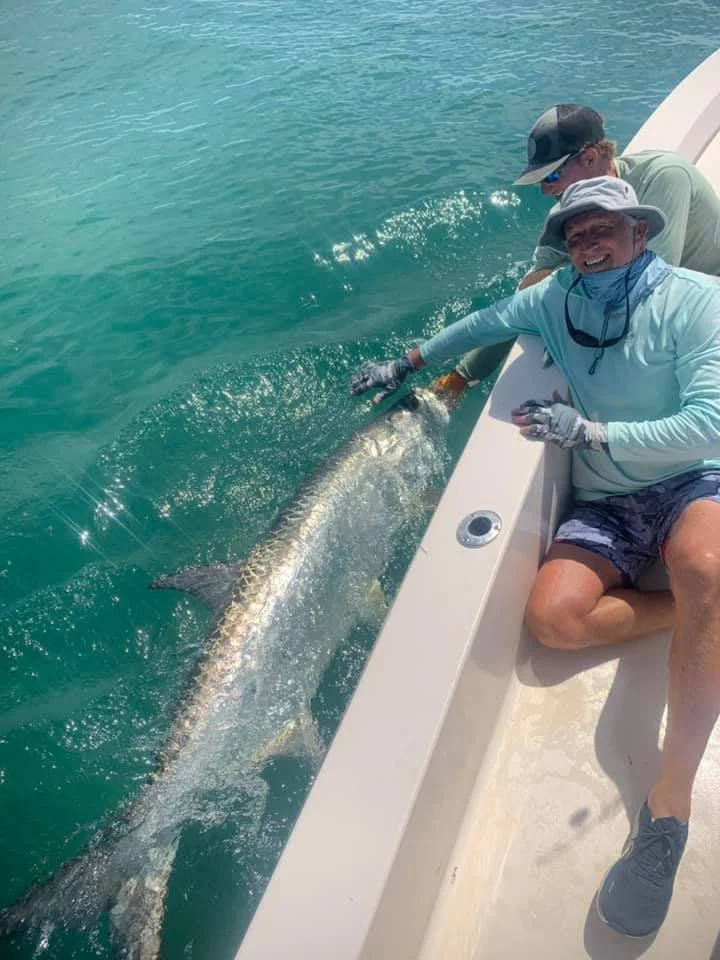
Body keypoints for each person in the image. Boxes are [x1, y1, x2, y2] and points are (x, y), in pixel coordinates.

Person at [349, 176, 720, 939]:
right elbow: (484, 320)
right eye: (575, 233)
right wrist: (407, 362)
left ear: (639, 231)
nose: (588, 243)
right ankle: (688, 613)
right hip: (606, 499)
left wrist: (592, 433)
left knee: (705, 564)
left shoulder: (696, 300)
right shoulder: (556, 298)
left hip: (690, 480)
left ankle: (668, 809)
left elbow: (709, 424)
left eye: (603, 228)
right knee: (552, 621)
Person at [434, 103, 720, 396]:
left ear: (590, 157)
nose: (544, 190)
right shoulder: (565, 213)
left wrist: (564, 284)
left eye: (552, 176)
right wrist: (463, 373)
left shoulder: (663, 178)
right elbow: (530, 289)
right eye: (541, 180)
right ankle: (455, 383)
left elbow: (646, 293)